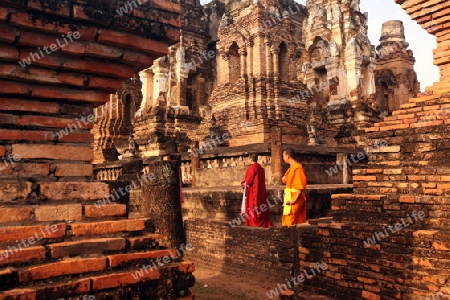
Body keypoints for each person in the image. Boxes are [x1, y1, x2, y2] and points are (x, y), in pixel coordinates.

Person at [240, 154, 272, 228]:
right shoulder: (261, 169)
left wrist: (244, 184)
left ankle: (253, 226)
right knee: (260, 208)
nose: (247, 161)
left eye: (248, 159)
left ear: (251, 159)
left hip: (253, 193)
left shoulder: (252, 168)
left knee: (252, 210)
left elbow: (249, 181)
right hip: (261, 193)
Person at [282, 149, 307, 226]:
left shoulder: (298, 168)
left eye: (283, 156)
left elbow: (300, 187)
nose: (283, 158)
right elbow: (288, 181)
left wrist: (294, 200)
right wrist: (284, 179)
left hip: (295, 197)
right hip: (289, 196)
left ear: (288, 156)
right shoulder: (291, 168)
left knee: (291, 220)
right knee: (287, 218)